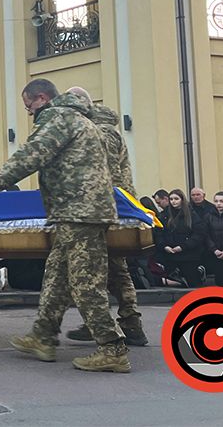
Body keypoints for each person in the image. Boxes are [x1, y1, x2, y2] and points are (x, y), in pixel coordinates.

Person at [0, 79, 130, 373]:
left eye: (29, 106)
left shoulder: (60, 118)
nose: (29, 112)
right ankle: (43, 336)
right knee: (57, 276)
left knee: (85, 284)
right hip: (77, 211)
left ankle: (112, 348)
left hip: (79, 213)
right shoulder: (81, 120)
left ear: (42, 98)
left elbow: (31, 155)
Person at [62, 89, 147, 348]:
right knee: (113, 268)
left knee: (101, 269)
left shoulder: (101, 133)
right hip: (113, 206)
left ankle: (110, 326)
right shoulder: (107, 131)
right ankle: (126, 323)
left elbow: (99, 173)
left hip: (106, 208)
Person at [154, 189, 206, 287]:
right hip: (170, 255)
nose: (173, 201)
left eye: (176, 199)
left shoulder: (191, 215)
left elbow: (198, 234)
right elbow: (159, 233)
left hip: (188, 255)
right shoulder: (164, 215)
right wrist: (164, 246)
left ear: (182, 200)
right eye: (171, 199)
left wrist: (183, 246)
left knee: (193, 282)